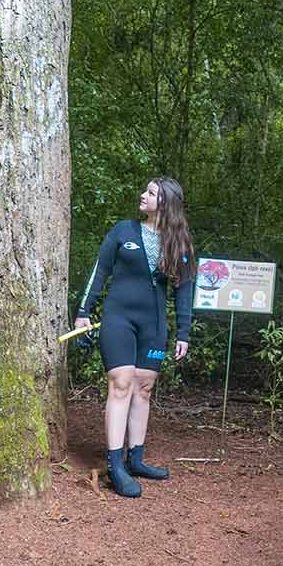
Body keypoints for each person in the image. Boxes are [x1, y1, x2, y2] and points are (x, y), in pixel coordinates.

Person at [73, 177, 195, 498]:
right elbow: (99, 271)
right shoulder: (123, 231)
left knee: (144, 388)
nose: (143, 195)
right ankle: (115, 466)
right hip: (118, 320)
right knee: (122, 384)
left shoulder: (178, 243)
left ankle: (135, 458)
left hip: (153, 327)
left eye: (151, 193)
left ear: (165, 203)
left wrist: (184, 331)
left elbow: (185, 290)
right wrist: (84, 311)